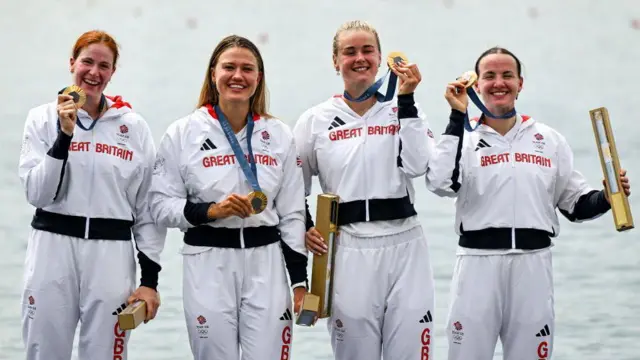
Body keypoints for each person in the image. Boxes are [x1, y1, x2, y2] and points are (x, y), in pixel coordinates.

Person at [426, 46, 632, 360]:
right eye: (490, 76)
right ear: (476, 85)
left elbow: (575, 204)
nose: (499, 83)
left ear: (520, 83)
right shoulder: (463, 140)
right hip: (478, 265)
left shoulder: (548, 140)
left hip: (533, 266)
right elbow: (440, 183)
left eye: (507, 75)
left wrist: (607, 197)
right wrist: (457, 115)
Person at [148, 34, 308, 359]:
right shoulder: (183, 133)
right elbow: (160, 206)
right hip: (208, 261)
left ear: (258, 78)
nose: (238, 76)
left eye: (247, 69)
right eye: (229, 67)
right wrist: (211, 211)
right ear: (213, 74)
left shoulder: (279, 135)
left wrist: (300, 283)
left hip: (266, 262)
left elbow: (292, 214)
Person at [18, 30, 166, 360]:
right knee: (44, 351)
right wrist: (64, 136)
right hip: (53, 249)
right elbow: (37, 193)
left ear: (113, 72)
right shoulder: (42, 118)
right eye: (87, 62)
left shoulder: (134, 126)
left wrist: (150, 281)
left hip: (111, 255)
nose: (94, 73)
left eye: (104, 65)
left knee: (106, 354)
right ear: (72, 63)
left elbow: (147, 210)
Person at [294, 20, 437, 360]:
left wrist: (407, 100)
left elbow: (418, 166)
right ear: (335, 61)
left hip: (405, 243)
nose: (360, 58)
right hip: (347, 247)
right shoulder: (314, 121)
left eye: (367, 50)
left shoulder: (403, 109)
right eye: (350, 52)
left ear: (381, 57)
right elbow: (290, 191)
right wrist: (304, 226)